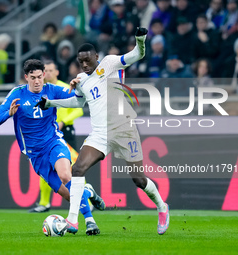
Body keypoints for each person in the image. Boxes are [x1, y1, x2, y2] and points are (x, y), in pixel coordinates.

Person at [35, 28, 170, 235]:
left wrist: (140, 40)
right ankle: (72, 221)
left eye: (88, 60)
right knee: (77, 169)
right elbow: (77, 102)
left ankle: (161, 206)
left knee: (138, 179)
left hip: (124, 129)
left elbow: (137, 54)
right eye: (81, 62)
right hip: (100, 133)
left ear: (96, 56)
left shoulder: (110, 63)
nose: (85, 65)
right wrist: (51, 103)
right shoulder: (82, 79)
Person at [0, 59, 105, 235]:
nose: (37, 81)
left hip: (54, 143)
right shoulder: (17, 94)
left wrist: (79, 86)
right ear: (26, 78)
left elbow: (78, 99)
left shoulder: (51, 90)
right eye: (33, 78)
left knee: (66, 176)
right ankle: (88, 192)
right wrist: (9, 113)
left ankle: (90, 221)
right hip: (35, 155)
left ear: (44, 75)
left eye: (40, 77)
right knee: (67, 194)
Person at [28, 60, 83, 213]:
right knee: (46, 168)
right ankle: (44, 203)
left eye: (52, 70)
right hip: (47, 133)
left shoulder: (64, 88)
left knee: (72, 170)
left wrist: (63, 122)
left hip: (65, 131)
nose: (50, 73)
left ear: (57, 72)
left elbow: (79, 110)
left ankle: (87, 198)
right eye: (47, 71)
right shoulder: (40, 92)